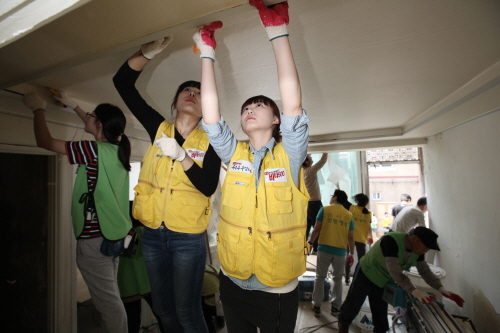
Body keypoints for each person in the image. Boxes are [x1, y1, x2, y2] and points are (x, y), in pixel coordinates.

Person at [195, 1, 310, 331]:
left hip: (276, 289)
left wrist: (277, 33)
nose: (250, 109)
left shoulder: (288, 155)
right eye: (246, 107)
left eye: (260, 106)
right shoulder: (235, 156)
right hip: (231, 279)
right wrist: (207, 52)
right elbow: (212, 118)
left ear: (276, 120)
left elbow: (293, 104)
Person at [113, 35, 221, 332]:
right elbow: (122, 84)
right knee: (162, 308)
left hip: (187, 237)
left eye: (198, 92)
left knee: (187, 310)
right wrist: (146, 53)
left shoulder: (212, 141)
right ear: (174, 102)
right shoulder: (159, 128)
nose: (191, 92)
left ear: (206, 107)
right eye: (185, 90)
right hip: (151, 235)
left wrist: (183, 156)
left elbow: (208, 186)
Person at [23, 92, 132, 332]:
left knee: (109, 304)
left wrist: (37, 109)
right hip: (114, 237)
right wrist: (75, 106)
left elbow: (44, 141)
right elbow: (96, 124)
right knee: (110, 296)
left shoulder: (91, 150)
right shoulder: (117, 151)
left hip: (94, 240)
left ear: (100, 124)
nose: (88, 118)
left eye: (91, 116)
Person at [337, 227, 465, 333]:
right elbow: (396, 272)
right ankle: (343, 327)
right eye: (426, 247)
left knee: (380, 313)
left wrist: (441, 288)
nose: (426, 250)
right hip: (366, 272)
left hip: (383, 280)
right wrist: (413, 290)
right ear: (414, 239)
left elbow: (425, 271)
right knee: (353, 304)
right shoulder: (390, 241)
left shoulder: (417, 252)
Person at [307, 190, 354, 318]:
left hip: (324, 249)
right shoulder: (349, 215)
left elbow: (316, 229)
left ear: (335, 198)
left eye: (331, 196)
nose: (331, 198)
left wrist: (310, 242)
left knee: (320, 277)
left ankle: (316, 305)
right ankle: (335, 307)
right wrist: (351, 253)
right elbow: (350, 237)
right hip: (340, 251)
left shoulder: (325, 210)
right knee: (338, 279)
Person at [345, 193, 373, 285]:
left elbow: (345, 201)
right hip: (362, 239)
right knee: (362, 260)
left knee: (349, 257)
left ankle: (347, 278)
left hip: (350, 238)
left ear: (357, 201)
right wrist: (370, 237)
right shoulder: (368, 212)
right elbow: (369, 226)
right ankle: (360, 278)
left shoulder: (352, 208)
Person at [303, 153, 328, 252]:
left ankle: (304, 246)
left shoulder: (301, 171)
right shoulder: (310, 171)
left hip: (306, 203)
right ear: (306, 162)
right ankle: (317, 248)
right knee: (317, 225)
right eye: (310, 158)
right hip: (314, 203)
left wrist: (306, 154)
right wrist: (325, 152)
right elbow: (322, 162)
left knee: (307, 226)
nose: (311, 157)